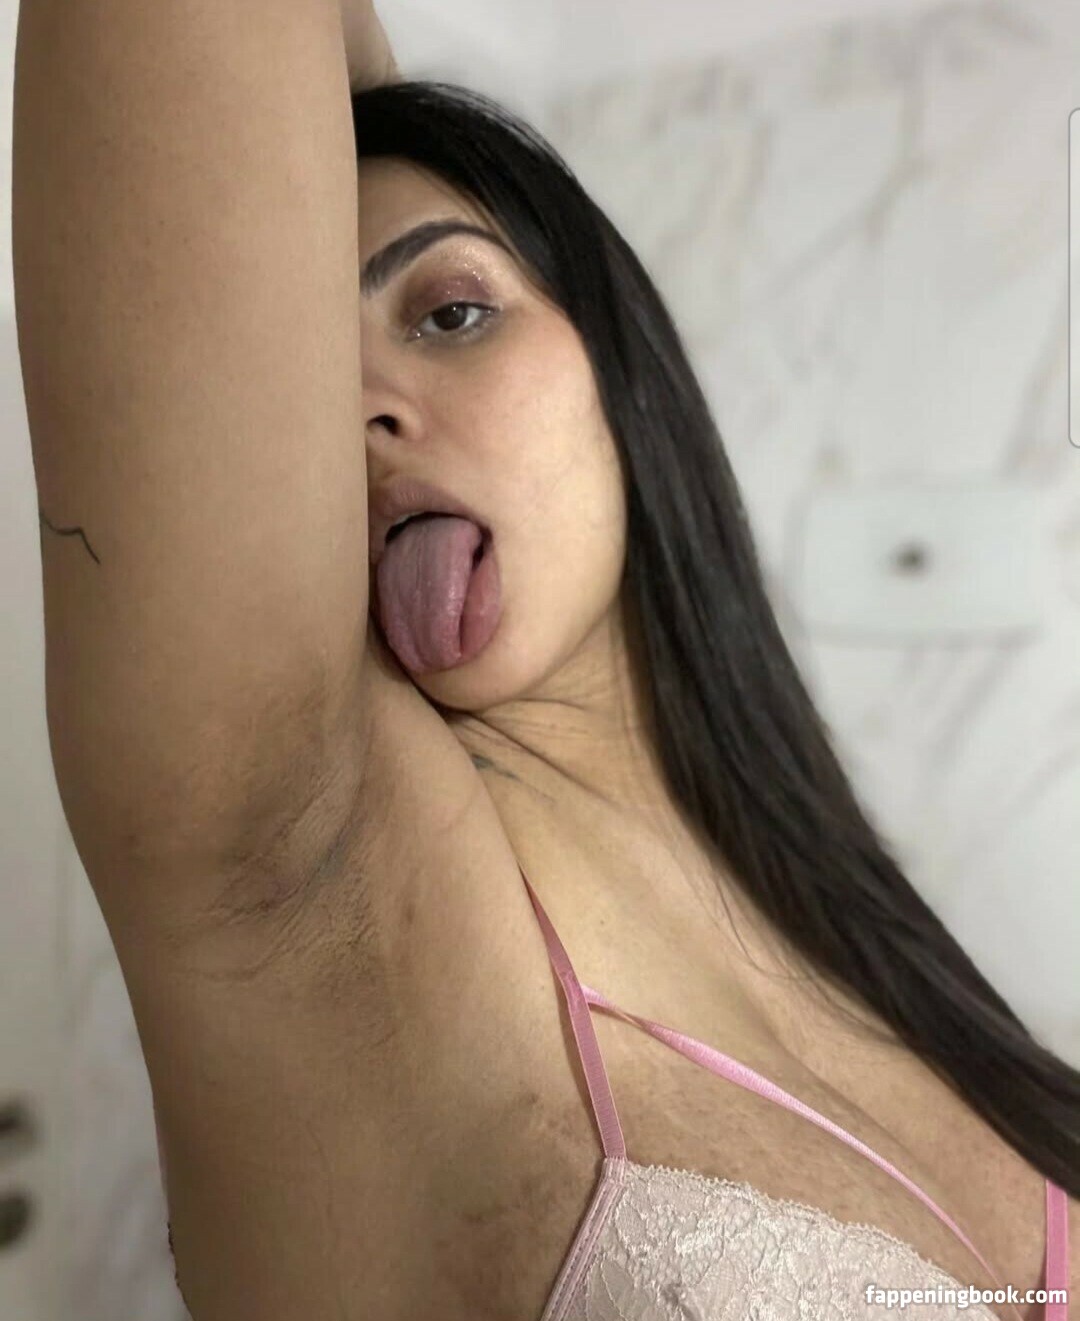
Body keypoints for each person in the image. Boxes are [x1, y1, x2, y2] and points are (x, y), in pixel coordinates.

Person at [12, 1, 1076, 1318]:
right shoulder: (332, 890)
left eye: (451, 312)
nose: (359, 413)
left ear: (625, 377)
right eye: (307, 386)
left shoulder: (857, 930)